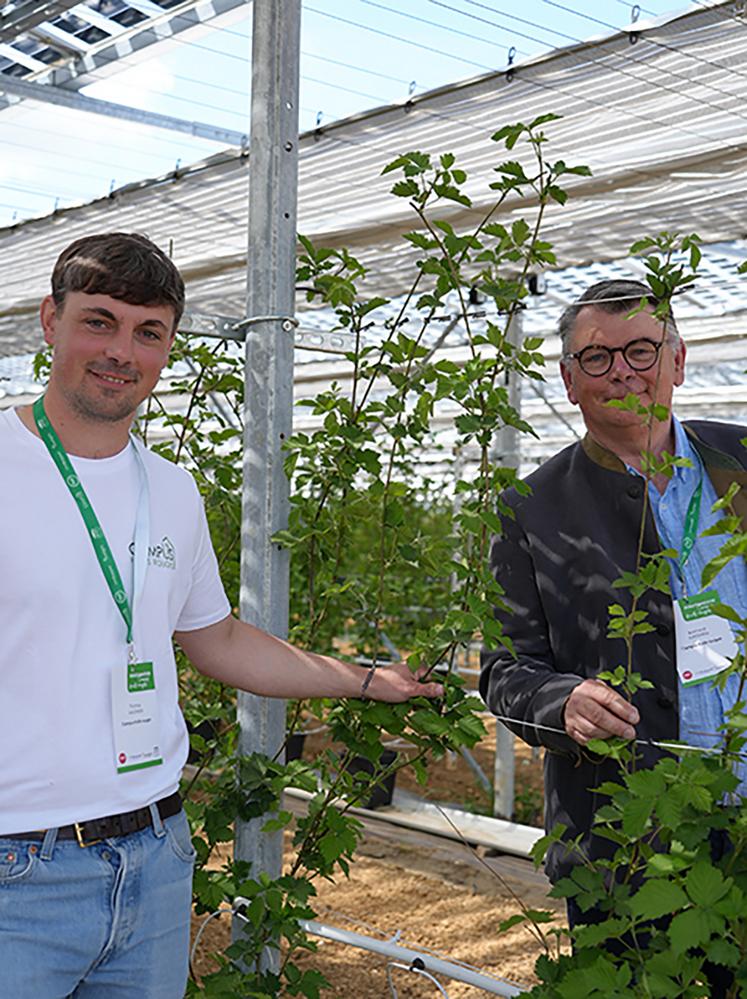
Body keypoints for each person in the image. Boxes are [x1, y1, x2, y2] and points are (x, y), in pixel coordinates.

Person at [0, 232, 442, 999]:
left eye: (148, 332)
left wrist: (365, 679)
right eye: (99, 321)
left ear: (168, 347)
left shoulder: (171, 489)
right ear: (50, 319)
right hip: (17, 867)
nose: (121, 351)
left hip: (154, 857)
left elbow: (217, 637)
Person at [480, 278, 747, 892]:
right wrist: (562, 702)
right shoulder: (532, 509)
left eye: (641, 350)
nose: (623, 371)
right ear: (569, 379)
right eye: (597, 357)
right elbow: (503, 670)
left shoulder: (740, 459)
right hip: (627, 835)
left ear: (677, 360)